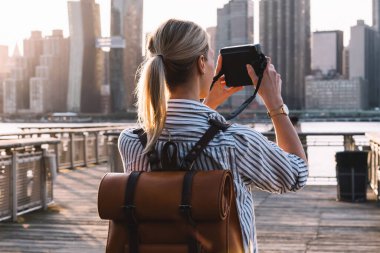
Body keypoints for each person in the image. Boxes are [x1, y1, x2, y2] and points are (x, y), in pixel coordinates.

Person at [118, 19, 308, 253]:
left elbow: (182, 144)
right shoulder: (235, 142)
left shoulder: (132, 141)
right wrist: (275, 104)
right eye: (209, 57)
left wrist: (209, 105)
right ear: (200, 63)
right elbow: (296, 175)